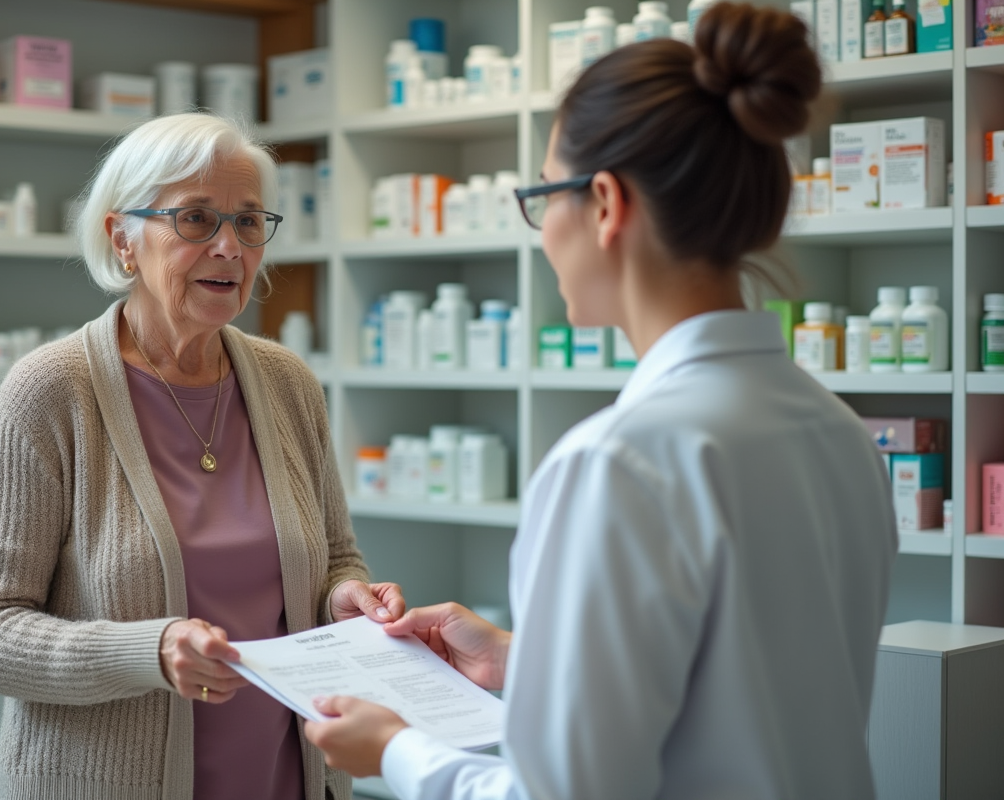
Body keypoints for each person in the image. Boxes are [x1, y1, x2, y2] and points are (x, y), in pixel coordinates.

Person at [302, 4, 898, 798]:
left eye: (545, 195)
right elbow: (747, 686)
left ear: (607, 205)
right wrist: (527, 662)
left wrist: (397, 751)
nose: (544, 230)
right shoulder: (836, 431)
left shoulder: (618, 463)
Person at [0, 112, 403, 800]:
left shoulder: (288, 384)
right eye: (195, 219)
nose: (229, 246)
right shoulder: (50, 391)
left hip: (286, 779)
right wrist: (148, 652)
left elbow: (337, 556)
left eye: (249, 223)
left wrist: (347, 598)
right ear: (123, 239)